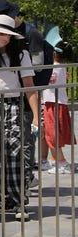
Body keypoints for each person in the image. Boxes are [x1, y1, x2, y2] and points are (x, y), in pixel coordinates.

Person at [0, 14, 39, 220]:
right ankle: (1, 198)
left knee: (14, 152)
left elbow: (29, 87)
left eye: (1, 33)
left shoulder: (21, 55)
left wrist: (36, 117)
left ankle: (19, 200)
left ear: (10, 36)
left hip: (12, 104)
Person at [0, 0, 47, 187]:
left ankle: (25, 179)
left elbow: (37, 65)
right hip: (4, 97)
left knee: (25, 142)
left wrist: (19, 57)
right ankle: (8, 184)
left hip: (26, 94)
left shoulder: (32, 33)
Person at [40, 41, 76, 174]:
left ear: (54, 52)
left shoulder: (53, 67)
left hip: (52, 104)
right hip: (57, 103)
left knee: (51, 134)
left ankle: (61, 162)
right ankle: (46, 160)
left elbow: (45, 81)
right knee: (47, 132)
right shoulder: (62, 67)